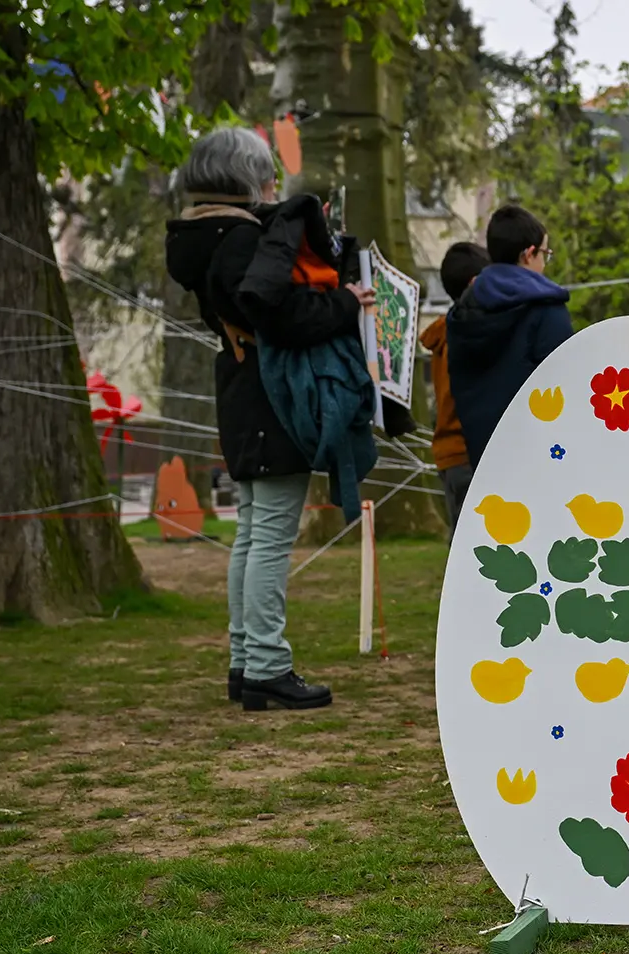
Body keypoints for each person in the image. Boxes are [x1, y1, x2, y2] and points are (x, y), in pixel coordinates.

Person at [166, 127, 375, 711]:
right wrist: (345, 303)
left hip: (243, 390)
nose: (272, 184)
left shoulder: (204, 237)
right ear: (246, 179)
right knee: (270, 537)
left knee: (254, 531)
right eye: (265, 174)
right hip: (273, 395)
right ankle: (265, 665)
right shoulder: (240, 240)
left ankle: (245, 661)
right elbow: (280, 317)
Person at [447, 206, 574, 467]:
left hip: (483, 461)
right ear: (529, 254)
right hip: (539, 461)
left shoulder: (462, 312)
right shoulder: (547, 311)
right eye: (544, 254)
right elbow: (566, 388)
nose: (544, 264)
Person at [422, 242, 490, 531]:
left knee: (462, 537)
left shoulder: (446, 331)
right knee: (473, 540)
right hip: (466, 452)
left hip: (450, 455)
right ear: (476, 284)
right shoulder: (464, 337)